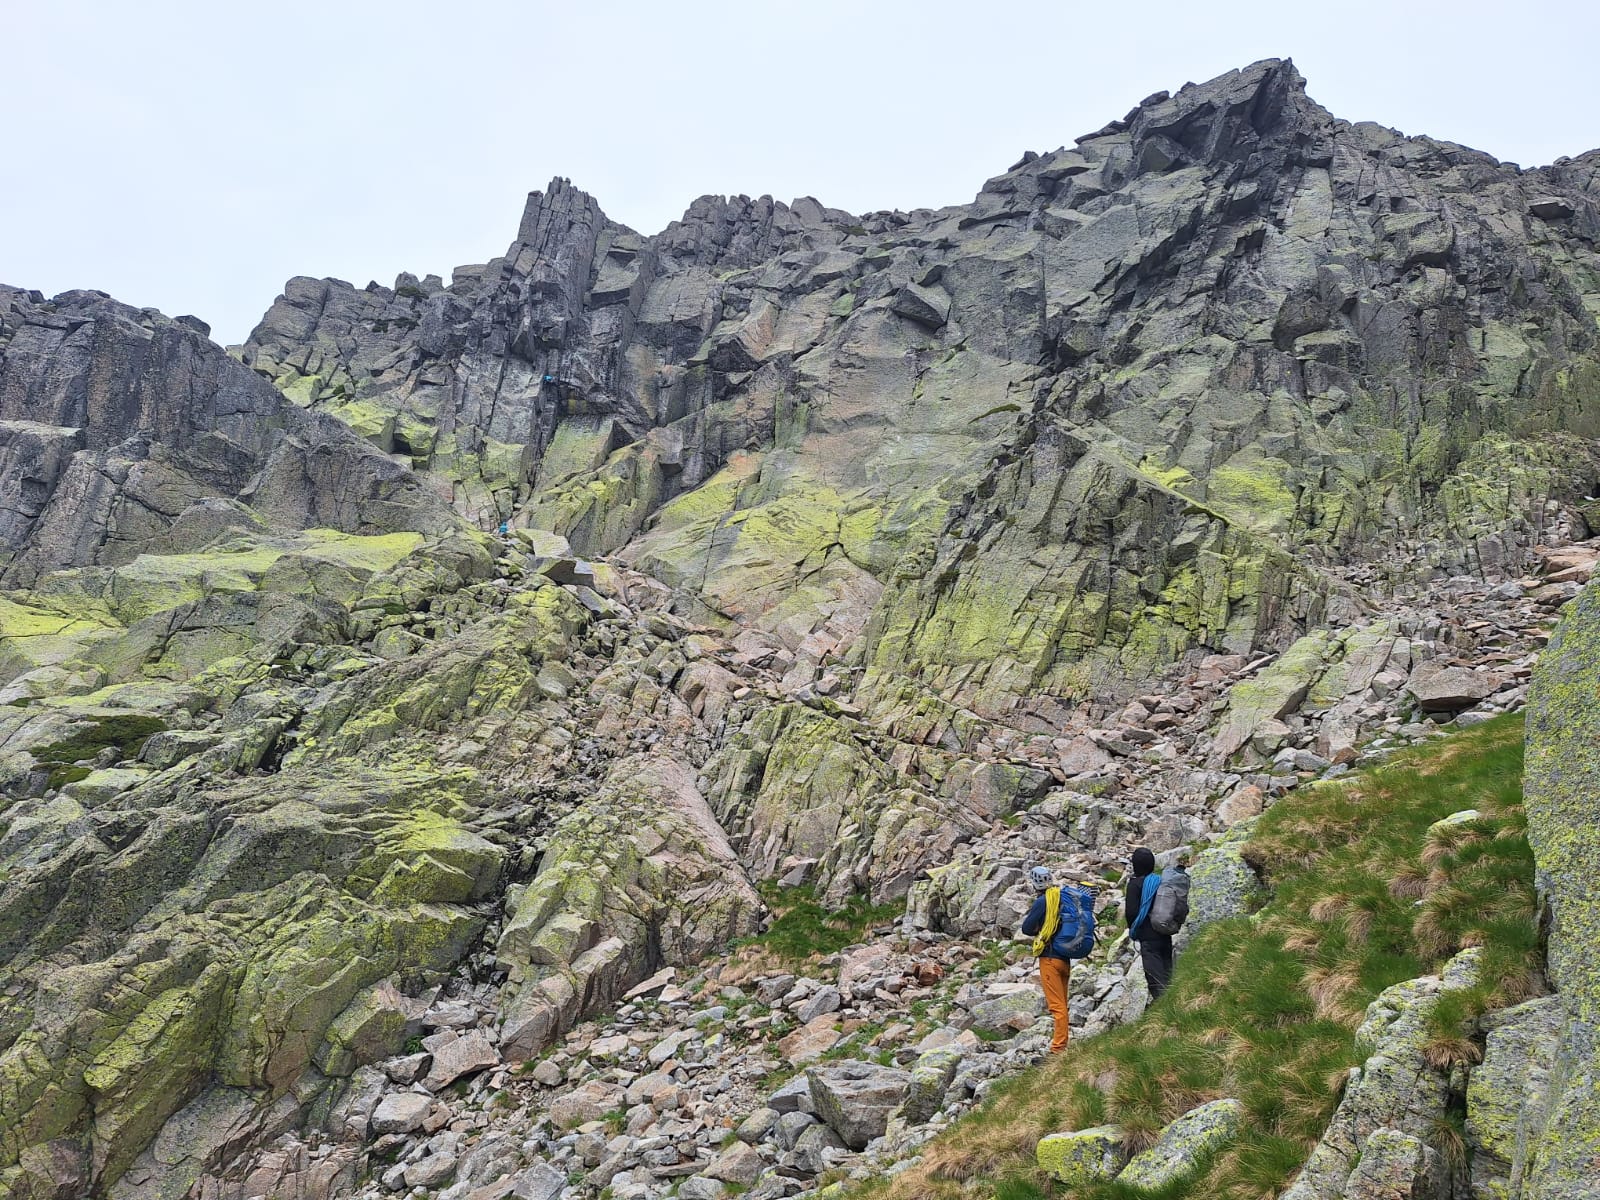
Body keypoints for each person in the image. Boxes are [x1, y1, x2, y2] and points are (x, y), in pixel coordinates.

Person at [1020, 865, 1096, 1053]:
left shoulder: (1042, 901)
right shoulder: (1062, 896)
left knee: (1057, 1007)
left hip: (1049, 959)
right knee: (1062, 1004)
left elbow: (1026, 929)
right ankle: (1062, 1042)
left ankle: (1057, 1049)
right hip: (1065, 959)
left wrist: (1042, 929)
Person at [1125, 846, 1174, 1000]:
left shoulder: (1134, 884)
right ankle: (1175, 1005)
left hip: (1148, 940)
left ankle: (1166, 1013)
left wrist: (1134, 930)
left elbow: (1131, 913)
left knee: (1156, 981)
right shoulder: (1160, 881)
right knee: (1168, 975)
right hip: (1165, 935)